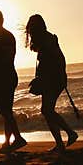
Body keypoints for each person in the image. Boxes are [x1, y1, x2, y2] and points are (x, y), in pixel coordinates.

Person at [25, 14, 78, 152]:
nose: (30, 32)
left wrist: (56, 76)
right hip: (52, 79)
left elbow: (57, 60)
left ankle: (70, 133)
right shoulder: (47, 39)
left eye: (31, 28)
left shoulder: (47, 40)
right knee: (47, 111)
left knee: (47, 110)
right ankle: (60, 142)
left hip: (53, 80)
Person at [0, 9, 27, 152]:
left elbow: (6, 56)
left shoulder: (6, 36)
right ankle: (8, 142)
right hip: (3, 76)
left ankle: (17, 137)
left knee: (2, 109)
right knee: (6, 110)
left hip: (5, 76)